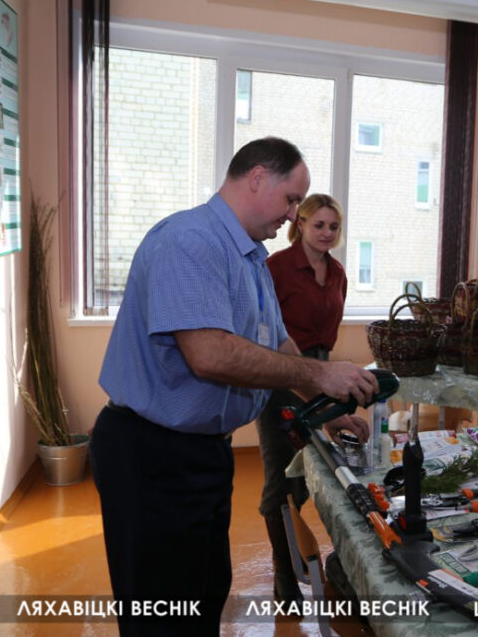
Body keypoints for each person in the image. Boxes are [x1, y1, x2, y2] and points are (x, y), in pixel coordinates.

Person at [91, 137, 375, 636]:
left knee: (203, 596)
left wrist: (324, 408)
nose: (294, 215)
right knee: (162, 612)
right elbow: (210, 354)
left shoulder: (249, 258)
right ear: (258, 178)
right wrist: (318, 374)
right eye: (291, 199)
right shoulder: (190, 241)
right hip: (153, 455)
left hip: (203, 453)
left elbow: (278, 341)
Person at [258, 193, 348, 603]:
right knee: (283, 479)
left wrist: (328, 387)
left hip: (320, 376)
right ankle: (284, 575)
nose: (327, 233)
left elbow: (326, 338)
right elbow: (265, 330)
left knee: (310, 477)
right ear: (301, 224)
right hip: (281, 380)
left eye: (333, 226)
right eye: (319, 225)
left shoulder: (338, 272)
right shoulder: (275, 267)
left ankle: (300, 561)